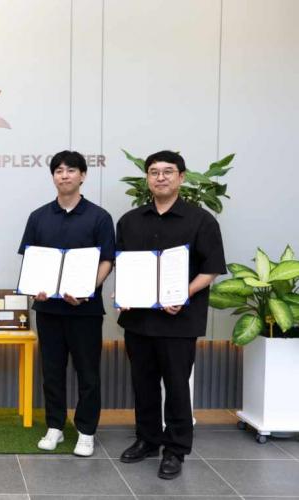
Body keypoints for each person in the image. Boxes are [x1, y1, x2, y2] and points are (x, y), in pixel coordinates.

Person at [116, 150, 225, 479]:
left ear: (181, 177)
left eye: (167, 171)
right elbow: (126, 266)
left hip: (179, 321)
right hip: (139, 320)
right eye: (154, 172)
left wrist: (183, 293)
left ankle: (175, 450)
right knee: (143, 384)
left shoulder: (201, 220)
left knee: (177, 386)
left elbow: (212, 269)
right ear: (147, 178)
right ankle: (147, 440)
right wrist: (122, 294)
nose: (160, 177)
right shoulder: (129, 221)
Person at [18, 150, 115, 456]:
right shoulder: (38, 216)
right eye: (58, 170)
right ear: (53, 177)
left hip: (85, 310)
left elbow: (107, 260)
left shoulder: (99, 217)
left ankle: (86, 431)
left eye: (71, 170)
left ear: (82, 175)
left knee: (88, 373)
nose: (64, 175)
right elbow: (31, 260)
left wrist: (88, 289)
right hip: (48, 310)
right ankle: (55, 427)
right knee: (52, 371)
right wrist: (34, 289)